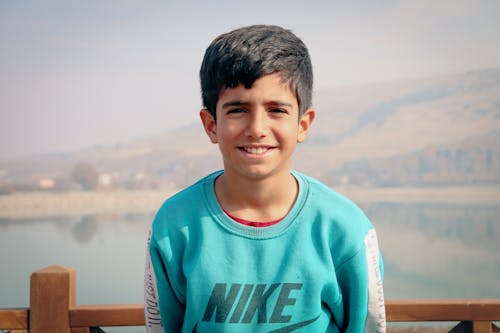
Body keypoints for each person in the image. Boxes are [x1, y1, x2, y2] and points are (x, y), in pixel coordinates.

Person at [144, 24, 386, 333]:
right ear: (211, 125)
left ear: (303, 124)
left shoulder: (345, 229)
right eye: (237, 110)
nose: (257, 128)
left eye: (276, 110)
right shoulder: (174, 226)